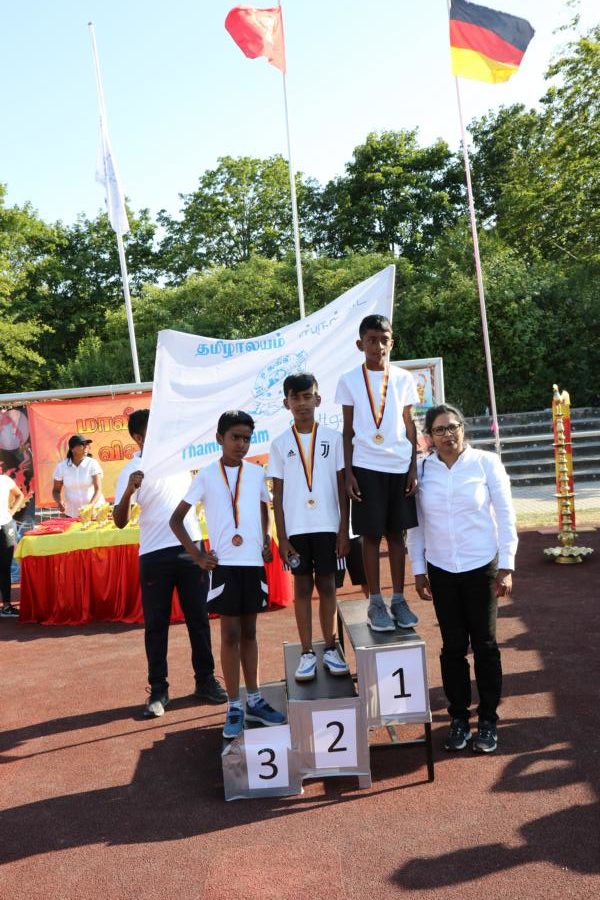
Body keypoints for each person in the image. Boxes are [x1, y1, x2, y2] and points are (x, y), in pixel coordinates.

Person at [407, 403, 518, 754]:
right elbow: (416, 525)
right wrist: (418, 570)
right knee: (453, 647)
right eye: (439, 430)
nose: (447, 435)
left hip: (481, 566)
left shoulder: (486, 463)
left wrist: (507, 566)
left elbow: (506, 514)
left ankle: (487, 720)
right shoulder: (421, 471)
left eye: (452, 427)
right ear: (429, 437)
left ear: (463, 428)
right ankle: (458, 718)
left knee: (485, 645)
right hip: (442, 569)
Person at [170, 410, 286, 739]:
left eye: (247, 439)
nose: (241, 444)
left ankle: (255, 699)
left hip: (252, 564)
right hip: (224, 565)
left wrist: (266, 540)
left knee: (250, 632)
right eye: (235, 437)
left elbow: (265, 507)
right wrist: (197, 555)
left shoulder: (256, 473)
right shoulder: (206, 475)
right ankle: (234, 705)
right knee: (230, 634)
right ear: (220, 438)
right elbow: (176, 520)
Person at [113, 409, 226, 718]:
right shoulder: (131, 470)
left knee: (199, 619)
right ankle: (158, 690)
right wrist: (129, 490)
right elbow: (119, 521)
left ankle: (205, 680)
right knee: (156, 624)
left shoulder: (180, 459)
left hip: (191, 549)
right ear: (138, 437)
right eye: (153, 430)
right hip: (154, 554)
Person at [335, 313, 419, 632]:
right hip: (366, 466)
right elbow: (347, 430)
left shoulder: (403, 378)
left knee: (397, 535)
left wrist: (413, 467)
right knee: (370, 536)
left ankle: (398, 599)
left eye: (384, 340)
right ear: (360, 344)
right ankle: (375, 602)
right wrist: (349, 473)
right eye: (371, 340)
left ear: (391, 343)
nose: (378, 346)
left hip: (398, 465)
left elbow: (410, 424)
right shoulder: (349, 380)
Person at [268, 373, 350, 682]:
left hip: (328, 526)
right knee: (302, 588)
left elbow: (342, 487)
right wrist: (282, 537)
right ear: (286, 403)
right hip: (296, 531)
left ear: (318, 399)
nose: (301, 403)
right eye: (295, 398)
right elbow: (277, 496)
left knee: (327, 586)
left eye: (307, 397)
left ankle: (330, 647)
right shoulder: (280, 444)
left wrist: (343, 531)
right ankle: (306, 652)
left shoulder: (333, 438)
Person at [52, 435, 105, 518]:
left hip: (95, 512)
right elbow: (56, 491)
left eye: (87, 444)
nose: (86, 447)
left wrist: (90, 507)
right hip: (72, 513)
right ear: (72, 449)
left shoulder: (92, 463)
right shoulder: (61, 467)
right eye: (82, 444)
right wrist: (59, 502)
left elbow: (98, 489)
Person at [0, 472, 24, 617]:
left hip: (5, 526)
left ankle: (7, 606)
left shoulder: (5, 480)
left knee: (5, 567)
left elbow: (20, 495)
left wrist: (12, 511)